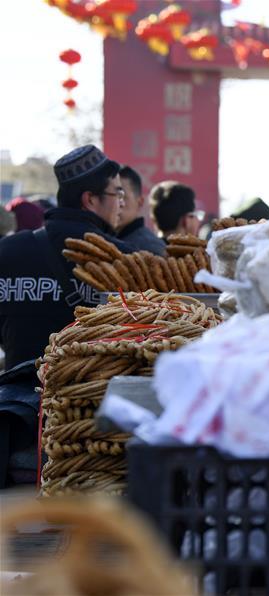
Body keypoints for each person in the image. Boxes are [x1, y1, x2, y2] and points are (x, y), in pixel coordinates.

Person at [0, 145, 135, 485]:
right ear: (90, 200)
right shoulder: (127, 262)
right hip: (93, 445)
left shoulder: (8, 252)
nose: (121, 202)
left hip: (15, 434)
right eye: (117, 193)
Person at [116, 166, 166, 255]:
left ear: (140, 202)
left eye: (121, 197)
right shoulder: (105, 239)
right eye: (111, 196)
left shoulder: (151, 248)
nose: (116, 204)